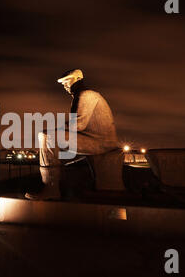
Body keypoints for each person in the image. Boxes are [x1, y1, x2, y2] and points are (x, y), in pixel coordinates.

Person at [25, 69, 118, 200]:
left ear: (78, 80)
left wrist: (57, 132)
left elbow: (78, 125)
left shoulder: (85, 95)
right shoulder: (85, 95)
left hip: (99, 142)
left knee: (47, 137)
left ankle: (50, 187)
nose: (65, 86)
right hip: (95, 139)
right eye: (63, 83)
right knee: (50, 136)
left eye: (67, 81)